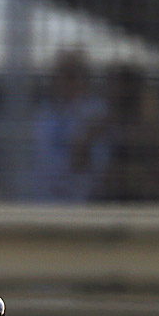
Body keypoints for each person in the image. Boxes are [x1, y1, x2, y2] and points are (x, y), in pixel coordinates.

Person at [75, 64, 159, 201]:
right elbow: (77, 163)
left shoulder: (152, 128)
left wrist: (141, 177)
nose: (115, 93)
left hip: (146, 202)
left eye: (122, 88)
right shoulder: (102, 124)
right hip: (110, 200)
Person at [30, 50, 103, 202]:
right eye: (61, 75)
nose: (66, 81)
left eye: (72, 75)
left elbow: (91, 160)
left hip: (83, 197)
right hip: (45, 198)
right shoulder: (45, 114)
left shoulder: (96, 112)